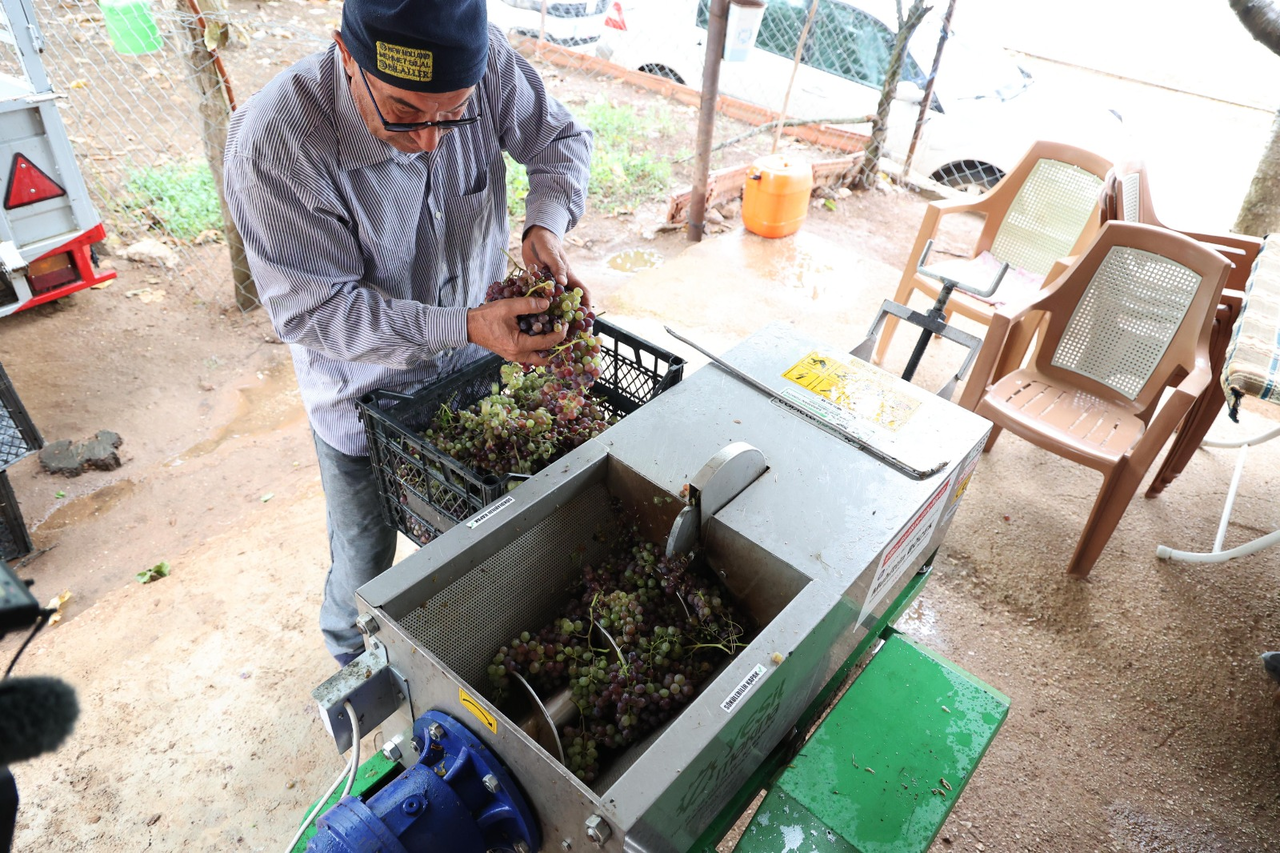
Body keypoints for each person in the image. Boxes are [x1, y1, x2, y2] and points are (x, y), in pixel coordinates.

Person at [224, 0, 592, 666]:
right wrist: (465, 326)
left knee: (477, 535)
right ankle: (350, 664)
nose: (429, 142)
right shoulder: (276, 144)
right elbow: (318, 312)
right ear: (346, 55)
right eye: (403, 112)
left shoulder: (486, 63)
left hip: (476, 372)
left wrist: (545, 224)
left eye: (453, 114)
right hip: (365, 398)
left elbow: (560, 140)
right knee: (366, 562)